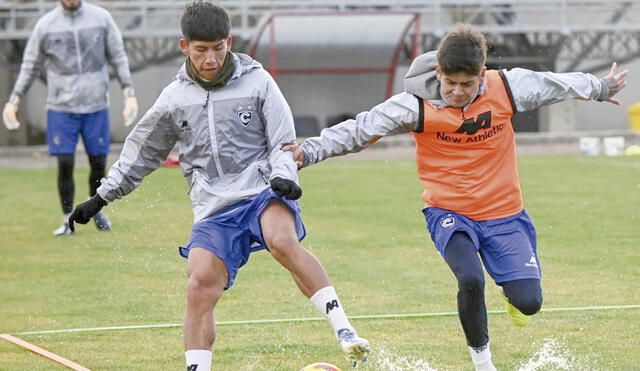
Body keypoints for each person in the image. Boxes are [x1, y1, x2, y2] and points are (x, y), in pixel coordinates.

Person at [285, 24, 627, 371]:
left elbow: (555, 84)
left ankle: (513, 294)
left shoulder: (508, 87)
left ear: (483, 74)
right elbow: (360, 129)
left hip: (504, 214)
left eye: (468, 84)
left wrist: (600, 87)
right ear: (439, 72)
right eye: (450, 83)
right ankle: (483, 364)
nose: (457, 92)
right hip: (448, 211)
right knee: (471, 278)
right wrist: (308, 152)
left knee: (529, 302)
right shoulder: (414, 105)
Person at [67, 2, 369, 370]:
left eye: (217, 48)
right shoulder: (174, 99)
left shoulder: (259, 82)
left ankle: (345, 332)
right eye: (201, 50)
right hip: (213, 205)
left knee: (282, 240)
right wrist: (101, 197)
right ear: (184, 47)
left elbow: (283, 144)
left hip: (263, 189)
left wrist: (284, 178)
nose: (210, 58)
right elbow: (140, 154)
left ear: (229, 42)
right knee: (199, 284)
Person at [2, 0, 139, 236]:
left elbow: (118, 56)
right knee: (65, 162)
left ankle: (94, 209)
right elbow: (30, 65)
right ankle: (67, 219)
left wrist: (129, 93)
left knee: (98, 163)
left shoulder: (101, 18)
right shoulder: (46, 25)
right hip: (61, 107)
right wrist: (14, 99)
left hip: (96, 105)